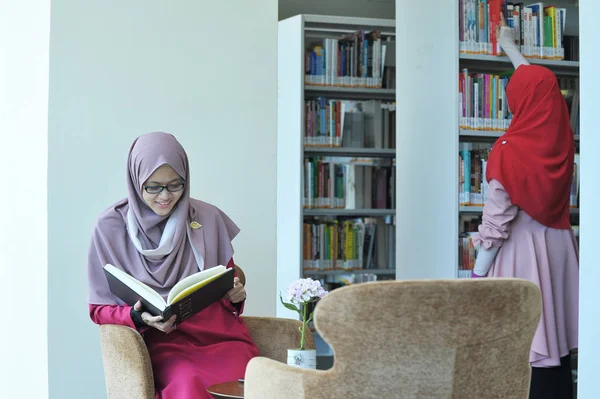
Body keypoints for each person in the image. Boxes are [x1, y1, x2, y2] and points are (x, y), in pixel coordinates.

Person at [87, 132, 259, 399]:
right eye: (153, 187)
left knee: (250, 380)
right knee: (188, 381)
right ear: (135, 181)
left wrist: (236, 295)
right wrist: (137, 317)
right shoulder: (110, 227)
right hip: (163, 342)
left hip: (219, 337)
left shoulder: (207, 217)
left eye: (175, 185)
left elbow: (228, 282)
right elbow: (98, 309)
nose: (165, 196)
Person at [471, 14, 579, 399]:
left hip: (522, 258)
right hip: (559, 251)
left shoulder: (507, 150)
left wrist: (478, 277)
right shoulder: (562, 141)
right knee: (558, 347)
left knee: (527, 350)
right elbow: (540, 84)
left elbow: (496, 226)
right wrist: (511, 47)